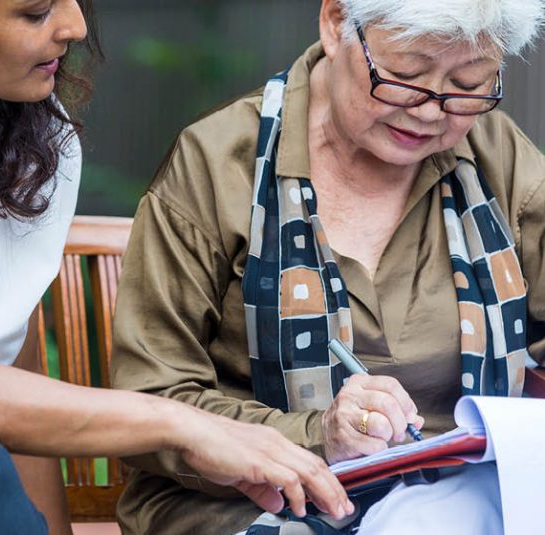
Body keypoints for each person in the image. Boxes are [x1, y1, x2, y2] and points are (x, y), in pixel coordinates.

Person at [0, 0, 354, 533]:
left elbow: (3, 349)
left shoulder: (33, 131)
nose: (73, 27)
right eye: (35, 12)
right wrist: (182, 422)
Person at [110, 0, 545, 533]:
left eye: (469, 83)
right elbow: (150, 398)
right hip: (252, 507)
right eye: (405, 75)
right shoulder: (219, 164)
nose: (432, 109)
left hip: (458, 497)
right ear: (338, 23)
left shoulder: (499, 157)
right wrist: (317, 436)